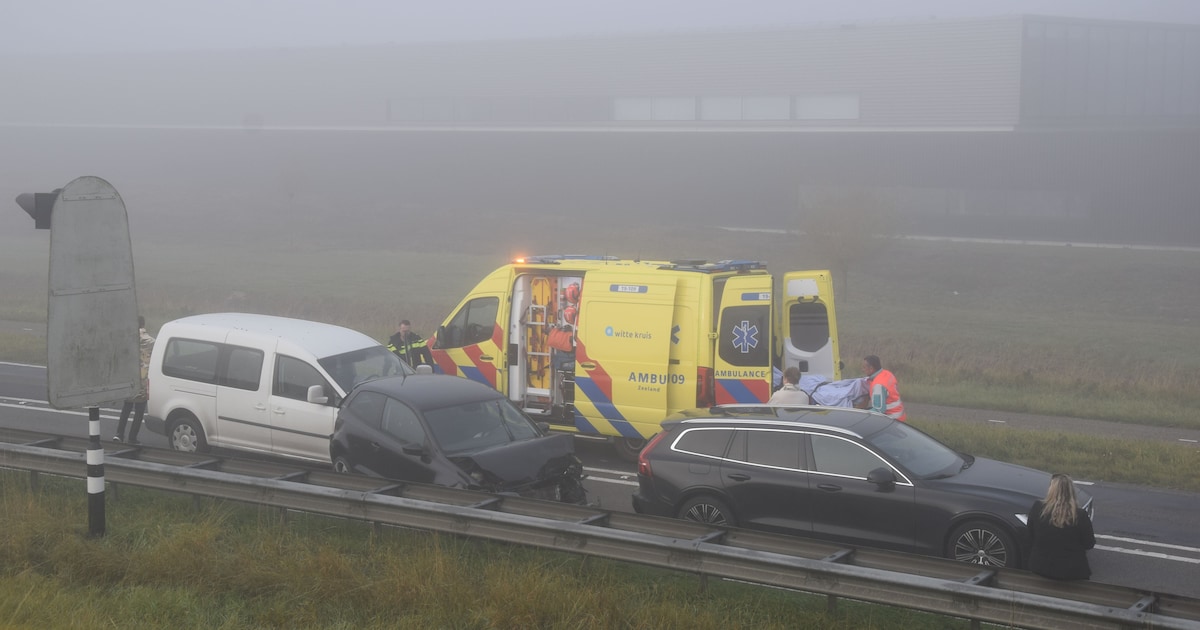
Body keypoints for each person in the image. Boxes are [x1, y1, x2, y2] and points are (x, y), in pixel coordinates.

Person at [1027, 474, 1096, 580]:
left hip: (1040, 568)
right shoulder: (1080, 515)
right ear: (1071, 491)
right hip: (1072, 573)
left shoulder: (1037, 508)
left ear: (1051, 490)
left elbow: (1030, 535)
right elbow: (1089, 544)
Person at [114, 316, 155, 444]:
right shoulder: (152, 342)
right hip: (143, 382)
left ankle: (119, 434)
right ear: (144, 324)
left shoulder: (127, 340)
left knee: (126, 408)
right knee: (139, 410)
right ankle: (132, 437)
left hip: (129, 381)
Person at [857, 355, 907, 421]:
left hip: (892, 419)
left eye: (864, 367)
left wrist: (860, 414)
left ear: (871, 368)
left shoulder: (878, 385)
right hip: (899, 415)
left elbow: (878, 410)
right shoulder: (887, 373)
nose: (862, 370)